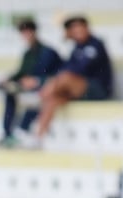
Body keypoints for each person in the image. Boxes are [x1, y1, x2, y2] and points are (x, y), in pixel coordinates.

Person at [33, 15, 114, 148]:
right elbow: (64, 68)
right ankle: (37, 138)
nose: (76, 32)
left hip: (98, 89)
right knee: (52, 99)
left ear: (87, 28)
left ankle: (38, 99)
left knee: (63, 78)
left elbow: (80, 69)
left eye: (78, 28)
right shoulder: (76, 48)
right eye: (73, 29)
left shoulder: (96, 44)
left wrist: (53, 83)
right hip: (79, 90)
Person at [0, 17, 63, 148]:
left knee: (35, 98)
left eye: (28, 31)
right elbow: (21, 72)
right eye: (23, 32)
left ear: (34, 31)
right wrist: (8, 79)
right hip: (28, 87)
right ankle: (7, 134)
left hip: (46, 88)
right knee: (10, 92)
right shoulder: (28, 53)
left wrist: (38, 81)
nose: (26, 35)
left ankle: (22, 131)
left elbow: (58, 74)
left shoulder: (48, 52)